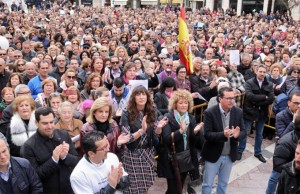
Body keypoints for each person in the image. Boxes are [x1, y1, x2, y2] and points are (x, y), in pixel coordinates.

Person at [21, 107, 80, 194]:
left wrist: (65, 157)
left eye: (51, 122)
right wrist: (53, 160)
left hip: (68, 188)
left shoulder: (63, 135)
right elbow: (34, 175)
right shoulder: (28, 146)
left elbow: (77, 160)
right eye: (45, 123)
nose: (49, 126)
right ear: (36, 123)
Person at [119, 85, 163, 194]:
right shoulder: (126, 112)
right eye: (138, 94)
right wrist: (141, 131)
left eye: (144, 94)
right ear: (133, 97)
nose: (141, 97)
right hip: (132, 153)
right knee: (132, 187)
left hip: (148, 152)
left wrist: (159, 128)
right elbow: (126, 138)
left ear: (148, 97)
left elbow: (156, 135)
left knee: (145, 186)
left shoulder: (152, 110)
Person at [157, 89, 202, 194]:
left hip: (185, 158)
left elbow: (193, 143)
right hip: (171, 160)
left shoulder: (190, 118)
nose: (183, 105)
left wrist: (195, 132)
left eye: (186, 103)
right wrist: (180, 131)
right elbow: (167, 139)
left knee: (179, 187)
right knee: (173, 189)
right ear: (175, 104)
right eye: (180, 103)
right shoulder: (168, 118)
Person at [201, 87, 245, 194]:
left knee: (223, 183)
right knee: (208, 184)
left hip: (229, 154)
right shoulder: (209, 112)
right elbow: (207, 134)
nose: (232, 101)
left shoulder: (238, 112)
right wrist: (222, 135)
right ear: (220, 99)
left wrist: (236, 135)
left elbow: (243, 131)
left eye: (233, 98)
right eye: (228, 98)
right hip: (213, 154)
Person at [238, 65, 275, 163]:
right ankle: (240, 150)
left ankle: (258, 152)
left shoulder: (269, 84)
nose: (262, 74)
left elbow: (271, 99)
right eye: (260, 71)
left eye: (264, 72)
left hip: (262, 112)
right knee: (244, 132)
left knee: (259, 134)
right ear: (256, 71)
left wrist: (257, 99)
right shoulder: (249, 82)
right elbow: (249, 96)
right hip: (250, 111)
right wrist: (264, 97)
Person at [266, 113, 300, 194]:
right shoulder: (281, 116)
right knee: (274, 179)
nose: (298, 106)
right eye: (296, 103)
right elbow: (282, 135)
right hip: (284, 165)